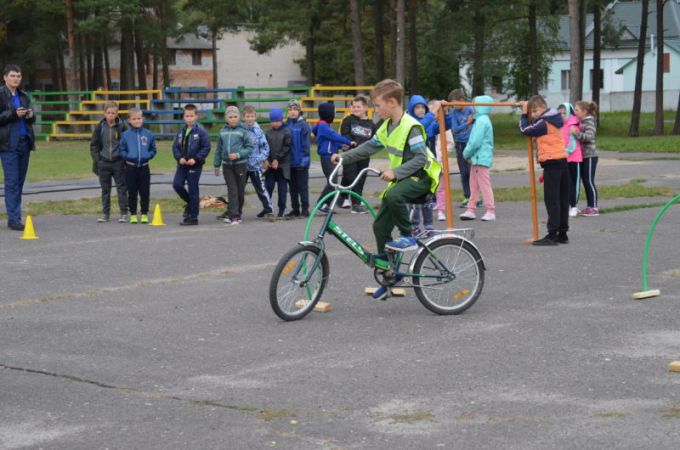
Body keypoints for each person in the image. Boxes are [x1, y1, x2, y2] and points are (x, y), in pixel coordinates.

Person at [330, 79, 442, 300]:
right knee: (380, 227)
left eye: (377, 105)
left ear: (392, 103)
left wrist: (395, 172)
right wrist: (344, 158)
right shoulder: (387, 125)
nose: (375, 110)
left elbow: (420, 158)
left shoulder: (411, 126)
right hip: (404, 178)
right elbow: (369, 147)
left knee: (393, 194)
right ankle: (390, 275)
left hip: (421, 178)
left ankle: (408, 235)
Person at [519, 95, 569, 246]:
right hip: (562, 161)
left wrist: (524, 114)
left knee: (552, 200)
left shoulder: (544, 122)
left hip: (552, 163)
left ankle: (552, 235)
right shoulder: (554, 118)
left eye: (535, 111)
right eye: (531, 112)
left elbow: (525, 130)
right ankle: (562, 233)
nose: (533, 114)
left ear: (543, 107)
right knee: (562, 199)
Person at [0, 64, 36, 231]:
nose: (16, 79)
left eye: (18, 76)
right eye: (13, 75)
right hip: (8, 145)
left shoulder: (24, 96)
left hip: (24, 143)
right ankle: (14, 219)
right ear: (5, 77)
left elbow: (31, 120)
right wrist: (13, 114)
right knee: (12, 183)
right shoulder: (1, 95)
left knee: (19, 183)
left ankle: (15, 216)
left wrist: (30, 115)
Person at [459, 95, 496, 222]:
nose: (473, 107)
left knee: (484, 185)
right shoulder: (480, 119)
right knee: (473, 185)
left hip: (481, 158)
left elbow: (475, 142)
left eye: (475, 104)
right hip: (477, 157)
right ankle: (471, 209)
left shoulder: (482, 121)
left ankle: (490, 210)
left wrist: (466, 153)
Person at [172, 104, 211, 226]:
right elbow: (175, 147)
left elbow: (206, 147)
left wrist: (196, 159)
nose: (189, 119)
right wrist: (179, 158)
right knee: (177, 185)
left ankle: (193, 218)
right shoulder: (181, 132)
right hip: (182, 165)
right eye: (187, 116)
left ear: (196, 116)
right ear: (184, 117)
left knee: (193, 190)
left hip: (195, 166)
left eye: (192, 116)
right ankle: (192, 203)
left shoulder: (201, 132)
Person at [213, 106, 253, 225]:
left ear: (239, 117)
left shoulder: (243, 131)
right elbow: (218, 150)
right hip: (227, 166)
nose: (233, 119)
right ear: (226, 118)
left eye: (235, 116)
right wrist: (216, 165)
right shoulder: (222, 132)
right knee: (232, 191)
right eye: (230, 117)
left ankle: (237, 214)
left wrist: (238, 154)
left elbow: (249, 147)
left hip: (240, 165)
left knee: (239, 191)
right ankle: (233, 216)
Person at [90, 101, 128, 223]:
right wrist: (98, 160)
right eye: (108, 113)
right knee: (105, 190)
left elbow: (127, 143)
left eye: (113, 113)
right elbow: (94, 145)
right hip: (104, 163)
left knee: (121, 188)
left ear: (117, 114)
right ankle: (106, 214)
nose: (111, 115)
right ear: (104, 113)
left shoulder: (122, 126)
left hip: (118, 163)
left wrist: (124, 158)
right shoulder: (100, 127)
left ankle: (124, 213)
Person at [339, 94, 376, 214]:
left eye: (358, 107)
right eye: (353, 107)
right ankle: (345, 197)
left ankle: (356, 202)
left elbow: (374, 140)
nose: (355, 109)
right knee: (350, 176)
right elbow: (344, 134)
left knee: (360, 178)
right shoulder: (348, 120)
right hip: (350, 154)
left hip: (364, 156)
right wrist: (350, 142)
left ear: (365, 107)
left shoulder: (371, 124)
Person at [313, 102, 353, 213]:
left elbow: (332, 141)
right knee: (332, 182)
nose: (335, 114)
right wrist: (349, 142)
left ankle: (326, 204)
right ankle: (321, 204)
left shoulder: (325, 125)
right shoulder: (323, 127)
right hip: (327, 157)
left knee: (333, 182)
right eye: (334, 112)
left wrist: (341, 146)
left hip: (331, 155)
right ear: (328, 113)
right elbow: (335, 136)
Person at [119, 108, 157, 224]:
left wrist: (148, 155)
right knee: (132, 192)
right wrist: (127, 156)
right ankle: (133, 214)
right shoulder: (125, 135)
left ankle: (144, 213)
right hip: (130, 168)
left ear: (142, 119)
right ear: (129, 120)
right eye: (134, 119)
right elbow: (122, 149)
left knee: (145, 191)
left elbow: (153, 149)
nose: (137, 121)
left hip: (144, 167)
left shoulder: (148, 134)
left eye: (139, 118)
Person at [406, 94, 436, 235]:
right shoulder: (412, 123)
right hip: (414, 165)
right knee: (414, 197)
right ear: (412, 110)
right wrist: (432, 113)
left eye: (423, 107)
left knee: (427, 196)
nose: (421, 110)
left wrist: (445, 114)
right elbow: (422, 125)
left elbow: (442, 126)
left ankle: (429, 226)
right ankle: (414, 226)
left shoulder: (428, 122)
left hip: (427, 165)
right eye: (417, 107)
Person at [242, 105, 273, 218]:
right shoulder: (240, 130)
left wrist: (259, 159)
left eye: (252, 116)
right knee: (239, 189)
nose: (250, 119)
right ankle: (235, 211)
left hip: (255, 167)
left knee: (261, 188)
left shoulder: (259, 131)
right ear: (243, 117)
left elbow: (265, 148)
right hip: (242, 166)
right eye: (247, 116)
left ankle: (268, 209)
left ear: (255, 117)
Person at [447, 89, 475, 208]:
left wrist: (472, 121)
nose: (453, 106)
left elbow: (478, 122)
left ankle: (476, 197)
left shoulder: (471, 109)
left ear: (462, 100)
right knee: (464, 172)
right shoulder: (453, 112)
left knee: (472, 171)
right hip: (460, 144)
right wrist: (467, 123)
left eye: (454, 103)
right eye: (452, 104)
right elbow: (455, 129)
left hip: (471, 143)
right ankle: (467, 196)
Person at [572, 101, 599, 217]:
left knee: (589, 181)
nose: (575, 112)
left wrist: (576, 133)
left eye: (577, 110)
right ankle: (589, 206)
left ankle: (594, 207)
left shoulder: (589, 121)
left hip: (590, 156)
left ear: (584, 112)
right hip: (582, 156)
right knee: (585, 181)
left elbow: (589, 136)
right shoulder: (581, 121)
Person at [285, 99, 311, 218]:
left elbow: (306, 146)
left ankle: (305, 210)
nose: (293, 112)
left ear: (299, 111)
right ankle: (295, 209)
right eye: (290, 109)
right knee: (292, 188)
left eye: (295, 109)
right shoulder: (286, 125)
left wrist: (304, 162)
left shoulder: (304, 125)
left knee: (303, 188)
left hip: (301, 163)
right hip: (289, 163)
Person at [265, 108, 292, 218]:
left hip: (282, 165)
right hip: (271, 165)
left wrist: (277, 159)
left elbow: (287, 147)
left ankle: (282, 209)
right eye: (273, 121)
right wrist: (268, 160)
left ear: (282, 120)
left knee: (282, 189)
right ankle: (267, 207)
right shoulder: (268, 133)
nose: (275, 123)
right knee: (268, 186)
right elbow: (266, 148)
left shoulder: (286, 131)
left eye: (277, 121)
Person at [558, 102, 582, 217]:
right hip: (564, 159)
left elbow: (572, 144)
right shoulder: (559, 126)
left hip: (574, 159)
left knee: (574, 183)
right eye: (560, 113)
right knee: (566, 183)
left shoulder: (573, 124)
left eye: (564, 113)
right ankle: (566, 205)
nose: (562, 115)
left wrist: (565, 152)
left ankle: (574, 206)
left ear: (569, 113)